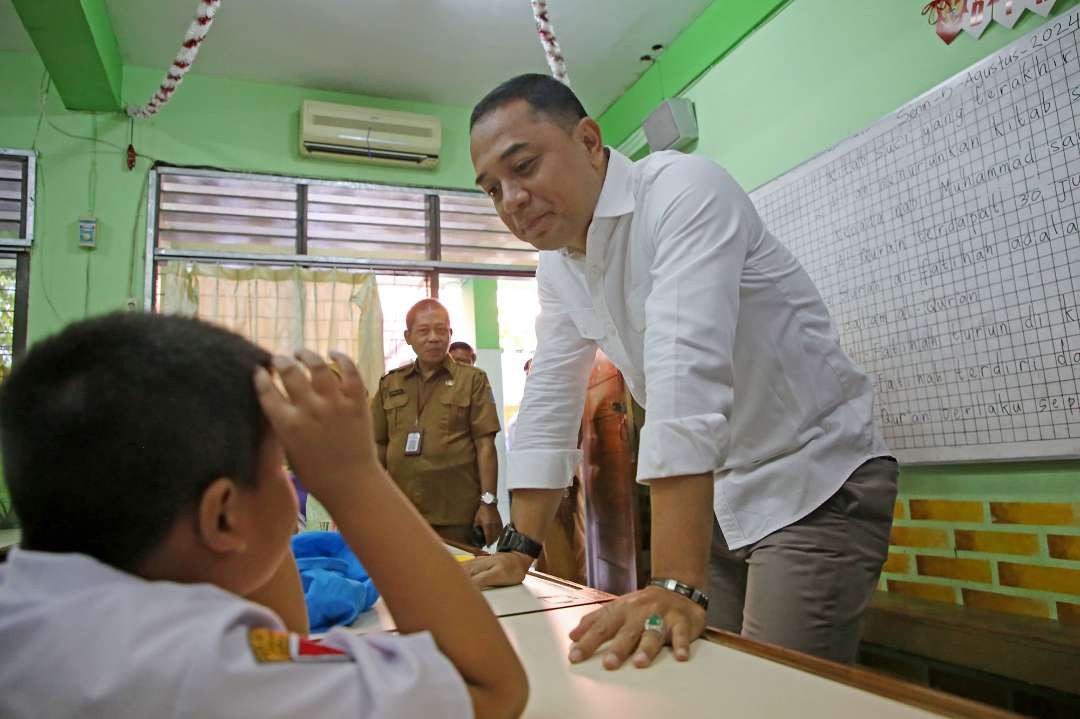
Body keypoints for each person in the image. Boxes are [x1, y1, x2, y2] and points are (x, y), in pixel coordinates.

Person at [465, 73, 897, 669]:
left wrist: (675, 581)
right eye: (492, 189)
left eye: (525, 166)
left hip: (813, 479)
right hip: (719, 490)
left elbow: (682, 375)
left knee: (771, 696)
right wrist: (520, 546)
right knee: (700, 676)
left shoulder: (683, 190)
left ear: (590, 142)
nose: (510, 199)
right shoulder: (558, 267)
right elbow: (548, 399)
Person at [0, 312, 527, 718]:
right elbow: (488, 688)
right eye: (280, 465)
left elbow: (286, 643)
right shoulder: (210, 669)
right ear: (224, 518)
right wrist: (351, 479)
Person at [371, 299, 503, 547]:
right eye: (424, 331)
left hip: (456, 516)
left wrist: (488, 502)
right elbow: (377, 447)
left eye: (441, 330)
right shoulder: (390, 384)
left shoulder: (472, 380)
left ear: (450, 334)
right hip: (401, 512)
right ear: (408, 337)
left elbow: (485, 446)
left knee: (458, 581)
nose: (434, 338)